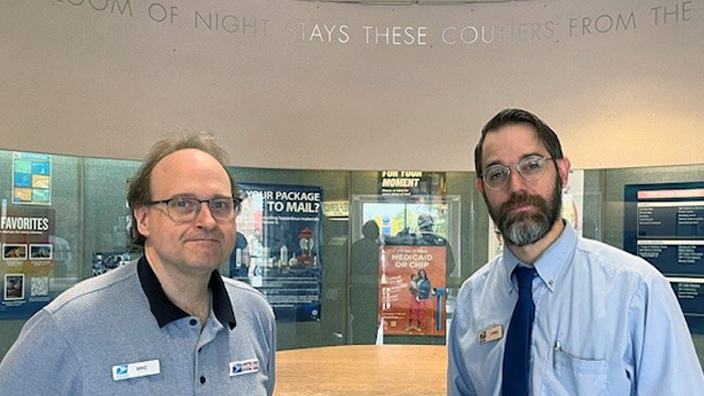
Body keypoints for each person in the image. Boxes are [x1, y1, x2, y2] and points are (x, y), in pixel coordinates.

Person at [447, 109, 704, 395]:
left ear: (562, 172)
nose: (516, 186)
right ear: (482, 189)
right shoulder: (472, 301)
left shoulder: (635, 290)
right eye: (497, 174)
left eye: (531, 166)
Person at [0, 132, 276, 395]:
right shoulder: (68, 325)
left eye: (220, 205)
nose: (207, 221)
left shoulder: (254, 314)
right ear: (143, 219)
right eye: (183, 204)